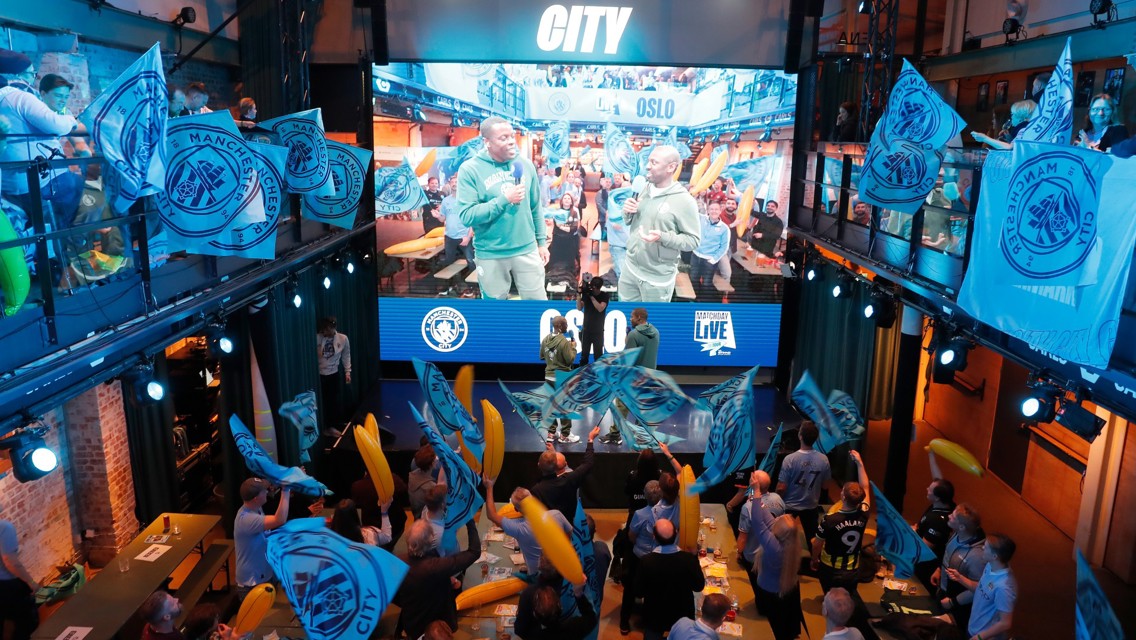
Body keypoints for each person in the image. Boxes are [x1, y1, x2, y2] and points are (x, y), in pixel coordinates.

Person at [458, 116, 548, 300]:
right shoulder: (470, 170)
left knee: (538, 306)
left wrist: (541, 243)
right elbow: (467, 216)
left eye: (511, 136)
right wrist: (504, 200)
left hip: (527, 249)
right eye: (503, 138)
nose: (510, 142)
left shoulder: (525, 164)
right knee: (494, 311)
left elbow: (535, 207)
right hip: (491, 253)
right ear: (487, 142)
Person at [0, 54, 87, 229]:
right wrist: (71, 119)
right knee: (83, 195)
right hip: (44, 181)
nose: (32, 80)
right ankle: (70, 249)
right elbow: (55, 124)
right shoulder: (19, 97)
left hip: (12, 185)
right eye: (31, 74)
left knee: (41, 232)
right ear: (18, 75)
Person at [618, 145, 700, 301]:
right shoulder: (644, 188)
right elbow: (629, 222)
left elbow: (693, 241)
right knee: (627, 319)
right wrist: (627, 211)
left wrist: (663, 237)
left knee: (650, 324)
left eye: (654, 163)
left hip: (657, 279)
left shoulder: (685, 201)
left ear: (671, 167)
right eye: (649, 161)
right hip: (629, 269)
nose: (647, 166)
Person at [395, 518, 480, 640]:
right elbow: (474, 552)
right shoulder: (436, 567)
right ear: (431, 540)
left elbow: (390, 593)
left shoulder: (396, 563)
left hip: (413, 626)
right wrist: (470, 520)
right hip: (439, 630)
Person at [748, 470, 804, 640]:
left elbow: (758, 522)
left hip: (770, 594)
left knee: (773, 629)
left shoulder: (774, 547)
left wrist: (756, 491)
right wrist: (755, 496)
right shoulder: (792, 541)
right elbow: (765, 516)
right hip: (788, 591)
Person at [483, 475, 570, 574]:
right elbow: (571, 536)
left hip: (538, 575)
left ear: (516, 509)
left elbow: (491, 515)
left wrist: (489, 487)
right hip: (561, 568)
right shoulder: (556, 514)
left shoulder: (519, 528)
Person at [811, 450, 870, 596]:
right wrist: (860, 463)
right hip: (852, 569)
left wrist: (814, 559)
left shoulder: (829, 520)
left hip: (830, 568)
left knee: (830, 597)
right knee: (847, 598)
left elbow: (817, 544)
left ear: (842, 496)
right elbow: (866, 487)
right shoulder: (864, 513)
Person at [635, 519, 705, 640]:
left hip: (654, 620)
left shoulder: (646, 561)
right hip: (682, 621)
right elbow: (699, 586)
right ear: (676, 533)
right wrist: (695, 557)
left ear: (654, 537)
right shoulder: (688, 560)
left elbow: (638, 591)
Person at [950, 534, 1017, 640]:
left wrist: (980, 637)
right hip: (974, 628)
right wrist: (960, 578)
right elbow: (981, 588)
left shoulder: (1004, 588)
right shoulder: (990, 566)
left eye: (986, 547)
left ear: (995, 556)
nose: (982, 548)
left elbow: (1005, 623)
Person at [933, 503, 987, 634]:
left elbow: (977, 589)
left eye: (953, 516)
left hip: (957, 605)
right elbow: (948, 555)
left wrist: (953, 602)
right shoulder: (957, 534)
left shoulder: (977, 557)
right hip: (944, 591)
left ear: (962, 526)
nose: (949, 515)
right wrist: (939, 569)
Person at [234, 479, 290, 599]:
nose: (267, 491)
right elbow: (279, 519)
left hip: (264, 575)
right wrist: (286, 489)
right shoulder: (246, 519)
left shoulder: (255, 508)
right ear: (256, 498)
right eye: (263, 491)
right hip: (251, 584)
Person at [776, 421, 831, 545]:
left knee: (782, 537)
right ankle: (813, 561)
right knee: (812, 538)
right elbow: (825, 486)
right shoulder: (824, 459)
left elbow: (781, 487)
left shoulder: (789, 459)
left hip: (789, 505)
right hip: (811, 505)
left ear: (800, 436)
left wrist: (776, 497)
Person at [530, 426, 601, 520]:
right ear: (564, 466)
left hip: (549, 526)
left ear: (539, 465)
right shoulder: (570, 479)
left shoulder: (537, 490)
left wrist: (552, 452)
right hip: (570, 521)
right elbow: (588, 463)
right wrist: (590, 439)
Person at [736, 470, 786, 598]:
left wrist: (739, 552)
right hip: (773, 554)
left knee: (757, 591)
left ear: (754, 483)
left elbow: (742, 538)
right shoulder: (778, 499)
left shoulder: (748, 507)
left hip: (753, 556)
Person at [621, 479, 661, 634]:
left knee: (629, 589)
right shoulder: (666, 512)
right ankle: (649, 622)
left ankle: (624, 622)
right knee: (653, 590)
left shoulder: (639, 514)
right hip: (657, 558)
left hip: (638, 557)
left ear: (644, 495)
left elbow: (631, 536)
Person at [914, 449, 957, 592]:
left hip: (927, 567)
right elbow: (937, 479)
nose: (927, 488)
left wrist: (912, 532)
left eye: (930, 490)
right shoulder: (947, 503)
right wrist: (931, 456)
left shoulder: (937, 521)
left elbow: (924, 548)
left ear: (937, 497)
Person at [515, 574, 596, 640]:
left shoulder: (533, 636)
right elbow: (591, 617)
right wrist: (578, 593)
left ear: (535, 614)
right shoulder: (573, 629)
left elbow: (519, 630)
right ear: (561, 607)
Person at [0, 516, 41, 640]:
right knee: (25, 625)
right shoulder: (4, 527)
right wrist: (31, 582)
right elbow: (10, 561)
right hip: (7, 585)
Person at [540, 316, 578, 443]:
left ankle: (551, 433)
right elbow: (570, 360)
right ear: (560, 326)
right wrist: (573, 347)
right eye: (566, 324)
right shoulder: (564, 342)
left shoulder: (546, 339)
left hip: (548, 377)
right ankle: (565, 435)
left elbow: (541, 356)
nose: (567, 326)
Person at [316, 317, 351, 436]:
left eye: (326, 330)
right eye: (322, 330)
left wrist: (347, 372)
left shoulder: (343, 338)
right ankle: (325, 427)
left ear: (332, 328)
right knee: (323, 402)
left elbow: (346, 356)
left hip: (334, 374)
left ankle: (331, 426)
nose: (324, 332)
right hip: (320, 375)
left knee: (333, 402)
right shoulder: (318, 338)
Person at [691, 201, 730, 299]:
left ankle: (703, 302)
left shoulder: (724, 228)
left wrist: (713, 260)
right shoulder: (701, 218)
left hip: (710, 260)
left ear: (720, 211)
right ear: (707, 210)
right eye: (711, 209)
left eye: (716, 209)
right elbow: (690, 210)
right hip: (695, 256)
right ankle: (694, 300)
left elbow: (724, 247)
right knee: (693, 279)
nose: (714, 211)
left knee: (706, 283)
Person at [440, 173, 474, 273]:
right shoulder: (445, 201)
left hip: (464, 236)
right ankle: (452, 285)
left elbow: (472, 220)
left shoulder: (467, 200)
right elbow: (442, 219)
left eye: (456, 182)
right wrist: (438, 216)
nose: (454, 184)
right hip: (449, 237)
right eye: (452, 182)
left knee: (471, 261)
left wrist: (468, 237)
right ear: (449, 184)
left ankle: (475, 286)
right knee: (449, 262)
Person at [972, 100, 1036, 149]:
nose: (1011, 117)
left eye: (1013, 114)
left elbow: (1010, 148)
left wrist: (984, 138)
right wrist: (1009, 139)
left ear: (1021, 118)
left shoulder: (1024, 129)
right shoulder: (1029, 128)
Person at [328, 497, 393, 546]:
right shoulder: (368, 535)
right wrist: (384, 512)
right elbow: (387, 537)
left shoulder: (328, 538)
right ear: (355, 515)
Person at [547, 192, 581, 283]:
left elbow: (573, 228)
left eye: (568, 199)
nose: (566, 200)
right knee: (555, 260)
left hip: (570, 241)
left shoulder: (574, 212)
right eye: (565, 198)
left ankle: (570, 279)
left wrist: (561, 226)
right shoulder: (557, 211)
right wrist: (565, 227)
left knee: (570, 261)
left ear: (571, 202)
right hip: (558, 240)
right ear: (562, 201)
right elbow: (552, 223)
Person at [576, 274, 608, 365]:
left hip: (598, 331)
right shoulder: (587, 295)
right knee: (584, 356)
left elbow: (600, 308)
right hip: (586, 330)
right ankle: (581, 376)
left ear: (598, 288)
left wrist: (591, 297)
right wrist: (579, 295)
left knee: (598, 356)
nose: (593, 290)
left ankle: (598, 376)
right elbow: (579, 308)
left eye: (594, 288)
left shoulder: (604, 296)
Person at [408, 444, 438, 516]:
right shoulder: (431, 487)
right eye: (436, 457)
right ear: (432, 463)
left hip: (416, 516)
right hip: (425, 520)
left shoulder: (412, 475)